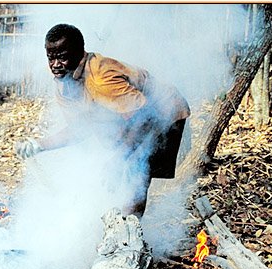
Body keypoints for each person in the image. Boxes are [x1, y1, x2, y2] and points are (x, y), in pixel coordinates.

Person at [15, 23, 190, 218]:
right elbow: (79, 129)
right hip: (132, 116)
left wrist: (118, 159)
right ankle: (117, 223)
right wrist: (40, 145)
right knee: (116, 167)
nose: (55, 64)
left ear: (79, 52)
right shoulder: (64, 82)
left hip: (163, 112)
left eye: (62, 57)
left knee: (135, 171)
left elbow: (145, 118)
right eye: (51, 57)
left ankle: (128, 235)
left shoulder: (101, 79)